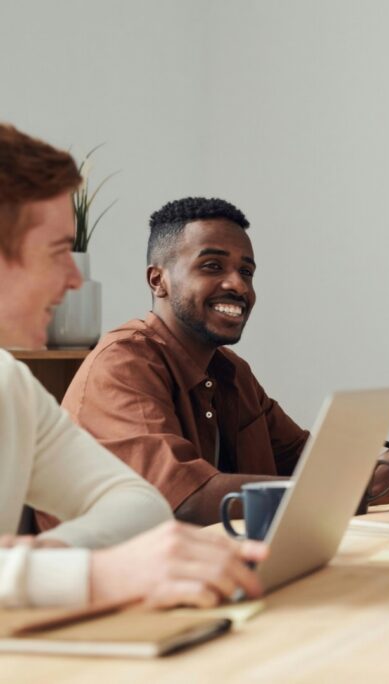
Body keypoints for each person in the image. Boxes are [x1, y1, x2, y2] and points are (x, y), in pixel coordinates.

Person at [47, 197, 389, 528]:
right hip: (118, 596)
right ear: (159, 281)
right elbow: (186, 499)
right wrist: (362, 486)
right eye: (212, 266)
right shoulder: (123, 363)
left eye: (247, 271)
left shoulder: (230, 370)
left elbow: (301, 458)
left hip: (215, 571)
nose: (238, 285)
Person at [0, 122, 264, 608]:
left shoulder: (11, 385)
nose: (75, 281)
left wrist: (44, 562)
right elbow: (173, 502)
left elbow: (141, 506)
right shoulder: (123, 358)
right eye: (60, 252)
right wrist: (90, 574)